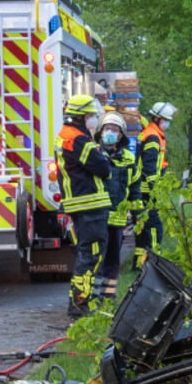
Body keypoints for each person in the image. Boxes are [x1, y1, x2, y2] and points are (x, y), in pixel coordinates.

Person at [56, 94, 110, 318]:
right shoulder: (78, 139)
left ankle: (82, 300)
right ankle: (81, 304)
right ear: (81, 116)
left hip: (80, 205)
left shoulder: (66, 135)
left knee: (86, 254)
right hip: (89, 204)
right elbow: (102, 167)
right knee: (91, 255)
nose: (94, 119)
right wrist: (102, 155)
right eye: (91, 115)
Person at [95, 112, 140, 301]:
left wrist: (138, 214)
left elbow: (135, 188)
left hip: (118, 220)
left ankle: (108, 298)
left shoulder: (129, 159)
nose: (110, 133)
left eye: (114, 130)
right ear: (101, 131)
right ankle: (94, 298)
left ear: (121, 135)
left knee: (113, 261)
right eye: (107, 129)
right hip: (97, 218)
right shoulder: (95, 155)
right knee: (97, 260)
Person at [134, 100, 176, 266]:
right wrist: (154, 188)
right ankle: (153, 262)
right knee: (153, 226)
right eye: (166, 120)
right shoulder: (152, 135)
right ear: (157, 119)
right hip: (147, 189)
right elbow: (149, 165)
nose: (167, 123)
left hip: (143, 188)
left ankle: (139, 263)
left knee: (143, 225)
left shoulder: (150, 132)